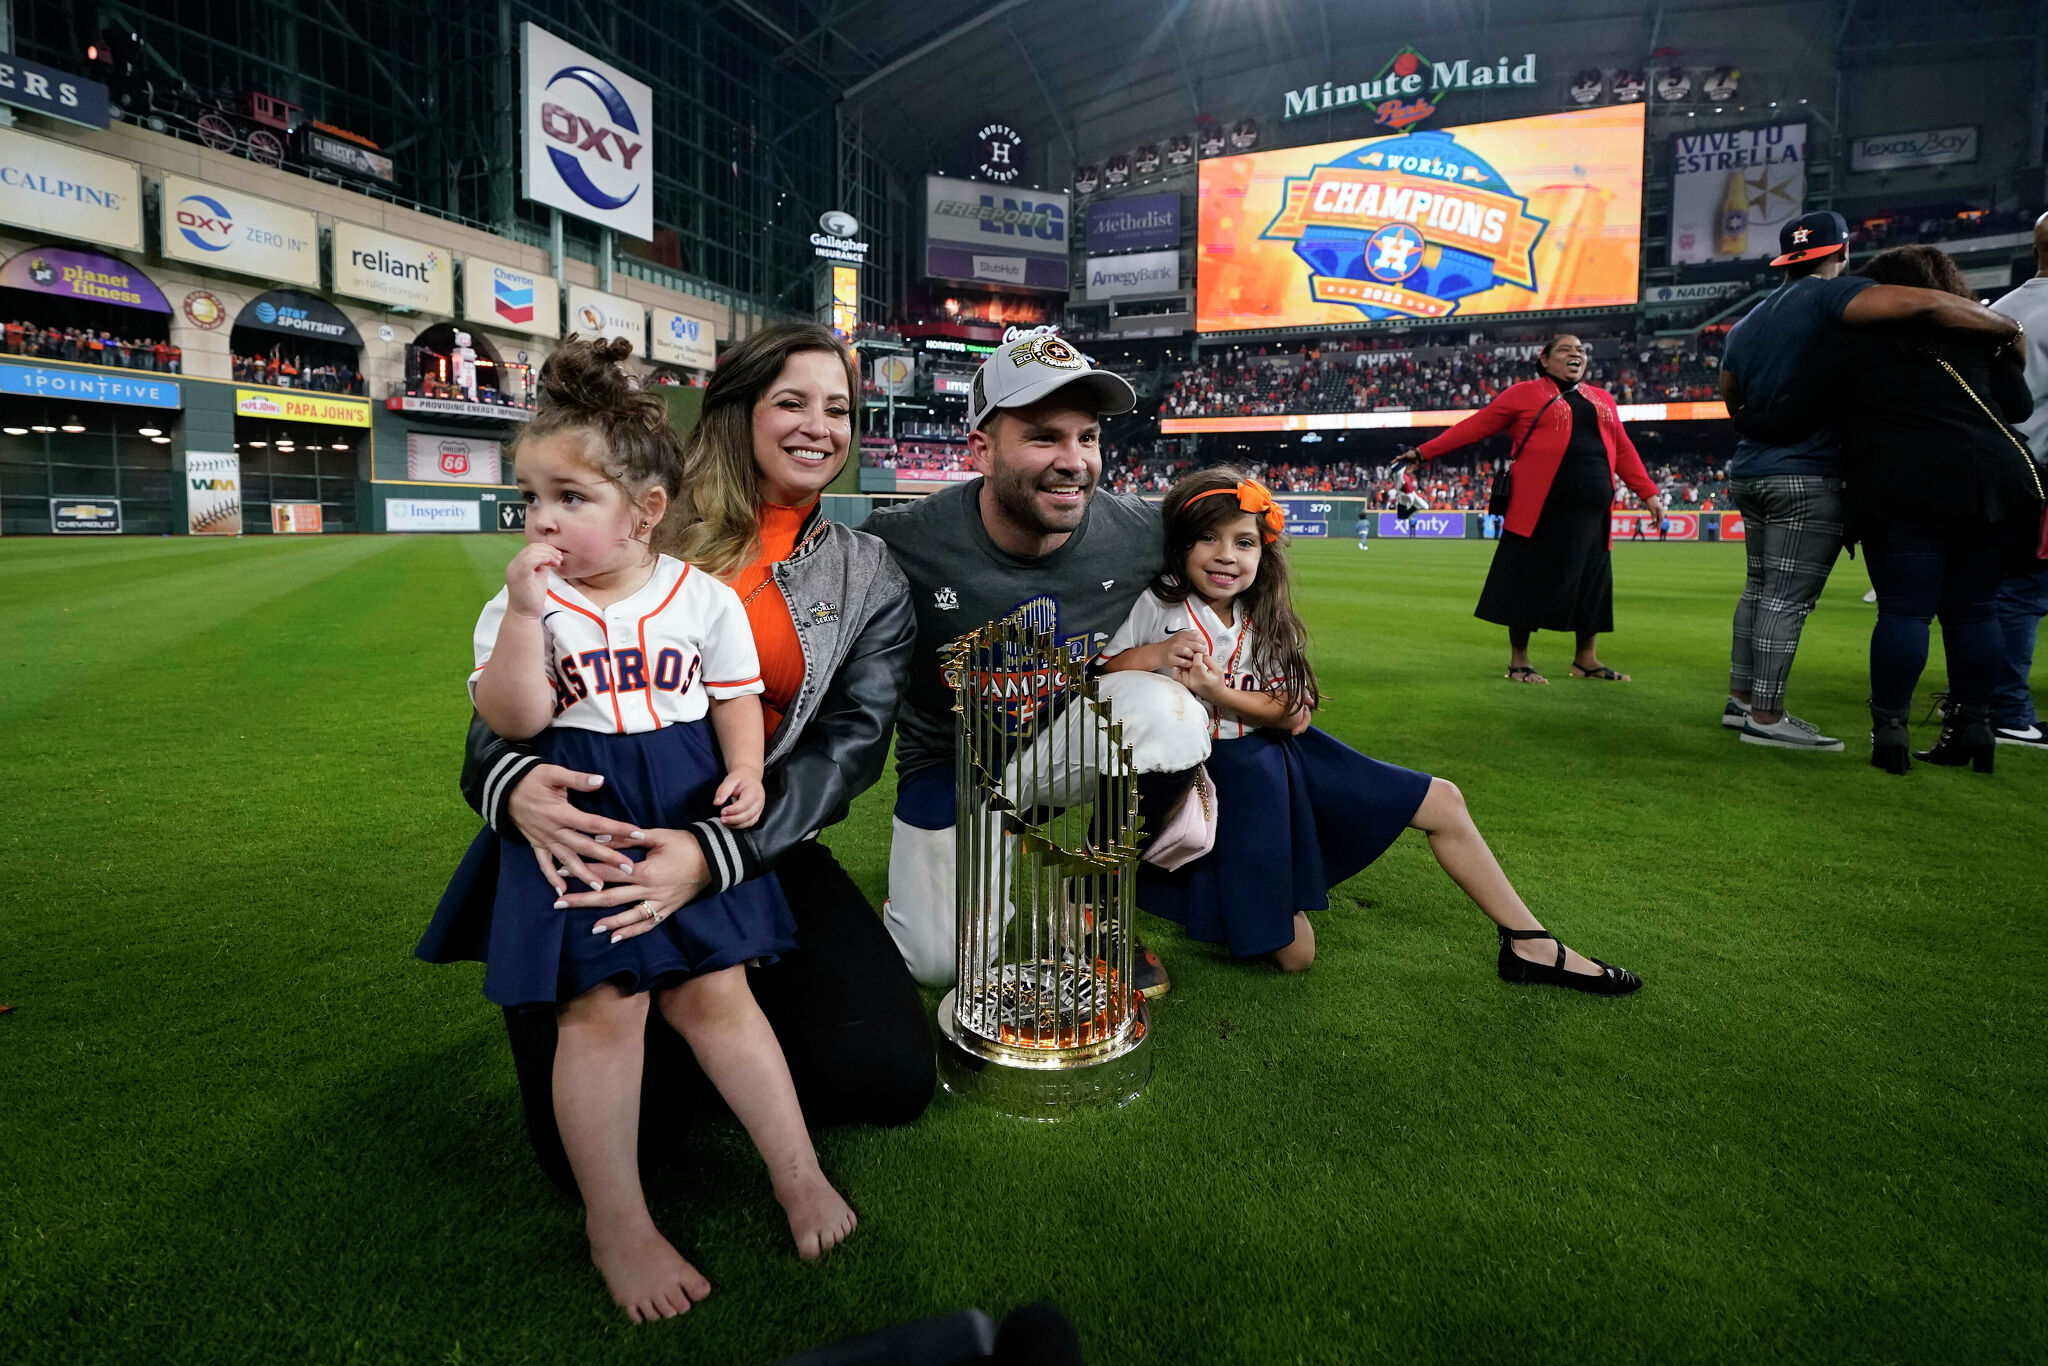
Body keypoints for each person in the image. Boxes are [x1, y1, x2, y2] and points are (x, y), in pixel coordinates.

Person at [452, 326, 932, 1291]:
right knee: (603, 1134)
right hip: (587, 838)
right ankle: (641, 1069)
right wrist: (513, 790)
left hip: (753, 838)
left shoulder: (866, 571)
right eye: (792, 401)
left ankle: (720, 1034)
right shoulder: (626, 519)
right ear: (738, 410)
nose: (819, 426)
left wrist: (717, 851)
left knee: (882, 1077)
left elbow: (852, 746)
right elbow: (501, 721)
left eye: (838, 407)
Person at [1102, 469, 1641, 994]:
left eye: (1245, 542)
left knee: (1443, 802)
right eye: (1207, 538)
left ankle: (1530, 943)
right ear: (1179, 545)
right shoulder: (1159, 600)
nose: (1227, 555)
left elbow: (1291, 712)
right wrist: (1155, 655)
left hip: (1283, 752)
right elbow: (1104, 672)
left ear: (1263, 553)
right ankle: (1219, 902)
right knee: (1296, 957)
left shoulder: (1261, 610)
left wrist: (1219, 692)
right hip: (1221, 776)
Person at [862, 328, 1173, 993]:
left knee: (1168, 713)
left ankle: (1088, 903)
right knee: (939, 964)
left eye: (1086, 438)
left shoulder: (1139, 533)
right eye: (1042, 437)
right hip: (953, 766)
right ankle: (926, 887)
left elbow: (1237, 569)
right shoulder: (900, 543)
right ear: (981, 448)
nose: (1074, 460)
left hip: (1064, 751)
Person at [1717, 211, 2022, 751]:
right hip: (1815, 472)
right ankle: (1764, 718)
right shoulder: (1838, 300)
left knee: (1763, 590)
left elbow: (1731, 393)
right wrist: (2007, 327)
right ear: (1843, 254)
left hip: (1756, 468)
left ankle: (1748, 700)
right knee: (1792, 599)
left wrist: (1748, 422)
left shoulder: (1745, 322)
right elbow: (1929, 306)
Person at [1832, 246, 2041, 773]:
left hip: (1904, 483)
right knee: (1976, 610)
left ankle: (1891, 734)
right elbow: (2017, 408)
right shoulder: (1981, 333)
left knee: (1905, 610)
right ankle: (1973, 727)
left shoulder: (1860, 338)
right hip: (1993, 483)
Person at [1393, 335, 1665, 684]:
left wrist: (1648, 493)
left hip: (1594, 515)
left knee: (1591, 585)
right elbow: (1475, 426)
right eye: (1566, 350)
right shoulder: (1524, 394)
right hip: (1537, 510)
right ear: (1545, 359)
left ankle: (1586, 660)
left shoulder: (1604, 399)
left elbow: (1624, 449)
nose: (1576, 355)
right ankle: (1519, 662)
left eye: (1580, 351)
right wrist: (1423, 452)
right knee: (1526, 580)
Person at [1989, 209, 2048, 751]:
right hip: (2043, 473)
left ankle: (2002, 703)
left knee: (2013, 589)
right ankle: (2008, 708)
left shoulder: (2001, 312)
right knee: (2024, 592)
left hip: (2006, 471)